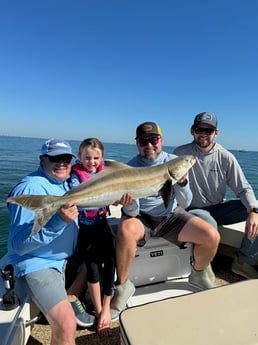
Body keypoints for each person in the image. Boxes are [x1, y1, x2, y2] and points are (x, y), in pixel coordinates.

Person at [110, 121, 220, 320]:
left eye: (154, 139)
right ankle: (123, 287)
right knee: (125, 230)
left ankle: (198, 274)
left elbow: (185, 203)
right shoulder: (131, 168)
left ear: (161, 140)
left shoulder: (176, 161)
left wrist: (183, 182)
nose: (149, 145)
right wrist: (129, 201)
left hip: (170, 216)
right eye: (144, 141)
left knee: (210, 235)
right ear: (137, 144)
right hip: (141, 217)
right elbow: (132, 212)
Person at [6, 138, 95, 345]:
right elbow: (19, 245)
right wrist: (58, 222)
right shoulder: (29, 189)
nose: (62, 163)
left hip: (65, 256)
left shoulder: (64, 182)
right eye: (55, 158)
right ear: (42, 160)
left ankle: (71, 297)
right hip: (39, 262)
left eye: (66, 158)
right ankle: (67, 307)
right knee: (66, 325)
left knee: (102, 253)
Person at [174, 112, 258, 279]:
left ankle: (243, 262)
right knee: (208, 221)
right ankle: (203, 267)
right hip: (190, 210)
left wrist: (253, 212)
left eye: (209, 130)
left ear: (216, 133)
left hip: (218, 208)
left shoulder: (226, 157)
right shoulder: (180, 153)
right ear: (192, 131)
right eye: (200, 129)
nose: (203, 134)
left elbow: (243, 188)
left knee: (256, 211)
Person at [69, 138, 115, 336]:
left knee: (111, 263)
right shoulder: (74, 177)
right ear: (80, 157)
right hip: (85, 229)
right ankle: (98, 310)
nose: (92, 161)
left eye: (96, 158)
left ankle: (106, 306)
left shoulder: (106, 174)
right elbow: (72, 194)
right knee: (93, 269)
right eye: (87, 157)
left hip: (102, 224)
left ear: (102, 158)